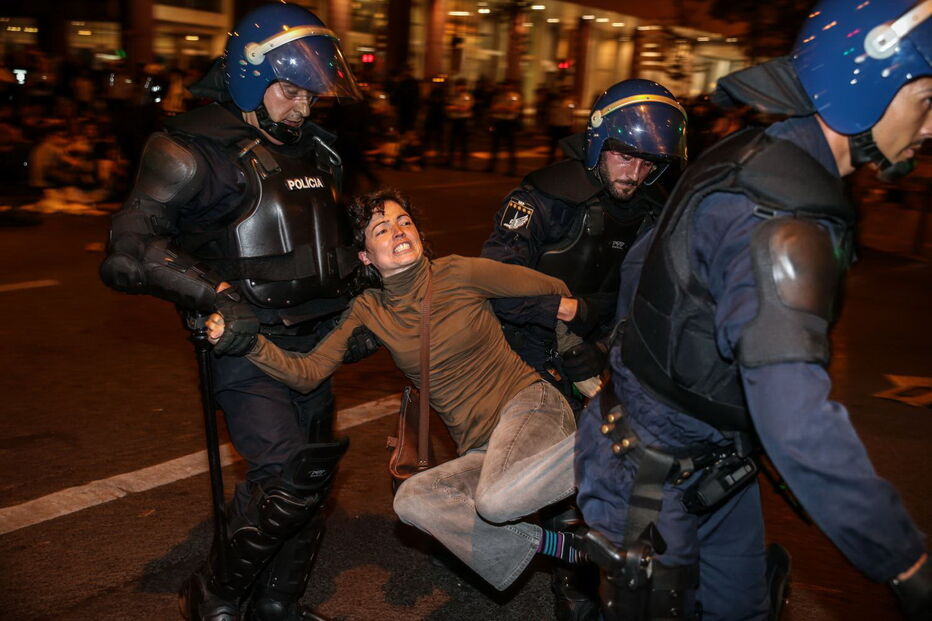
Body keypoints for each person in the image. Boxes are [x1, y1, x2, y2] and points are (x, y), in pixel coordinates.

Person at [574, 0, 932, 619]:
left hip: (715, 461)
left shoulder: (753, 153)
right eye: (925, 99)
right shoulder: (779, 218)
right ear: (867, 87)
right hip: (651, 472)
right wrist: (907, 561)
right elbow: (794, 420)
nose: (930, 126)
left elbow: (645, 265)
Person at [99, 4, 368, 620]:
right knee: (284, 477)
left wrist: (368, 280)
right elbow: (130, 250)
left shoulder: (319, 149)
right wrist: (213, 296)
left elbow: (321, 240)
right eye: (291, 92)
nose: (303, 108)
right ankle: (214, 597)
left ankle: (278, 605)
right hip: (246, 342)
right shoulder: (191, 148)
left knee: (311, 479)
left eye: (311, 95)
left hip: (319, 340)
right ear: (249, 77)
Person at [206, 188, 589, 594]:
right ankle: (567, 549)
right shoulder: (369, 309)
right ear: (366, 257)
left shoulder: (459, 272)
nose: (399, 231)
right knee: (411, 500)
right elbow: (309, 372)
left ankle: (603, 450)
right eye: (382, 229)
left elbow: (551, 287)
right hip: (481, 447)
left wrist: (575, 358)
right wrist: (248, 344)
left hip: (530, 406)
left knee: (495, 503)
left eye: (405, 222)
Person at [480, 77, 686, 620]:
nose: (635, 174)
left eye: (649, 164)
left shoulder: (652, 209)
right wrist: (561, 321)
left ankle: (581, 592)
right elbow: (498, 281)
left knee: (621, 477)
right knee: (539, 480)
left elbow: (652, 299)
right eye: (625, 158)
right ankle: (555, 564)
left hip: (606, 355)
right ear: (599, 142)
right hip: (524, 350)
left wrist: (608, 339)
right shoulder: (541, 197)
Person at [485, 80, 523, 175]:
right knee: (495, 145)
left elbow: (513, 109)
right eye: (505, 85)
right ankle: (491, 166)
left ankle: (512, 169)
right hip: (498, 121)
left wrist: (501, 108)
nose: (506, 88)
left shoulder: (515, 96)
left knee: (511, 146)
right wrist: (505, 108)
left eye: (508, 85)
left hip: (509, 122)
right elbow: (493, 108)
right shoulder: (498, 96)